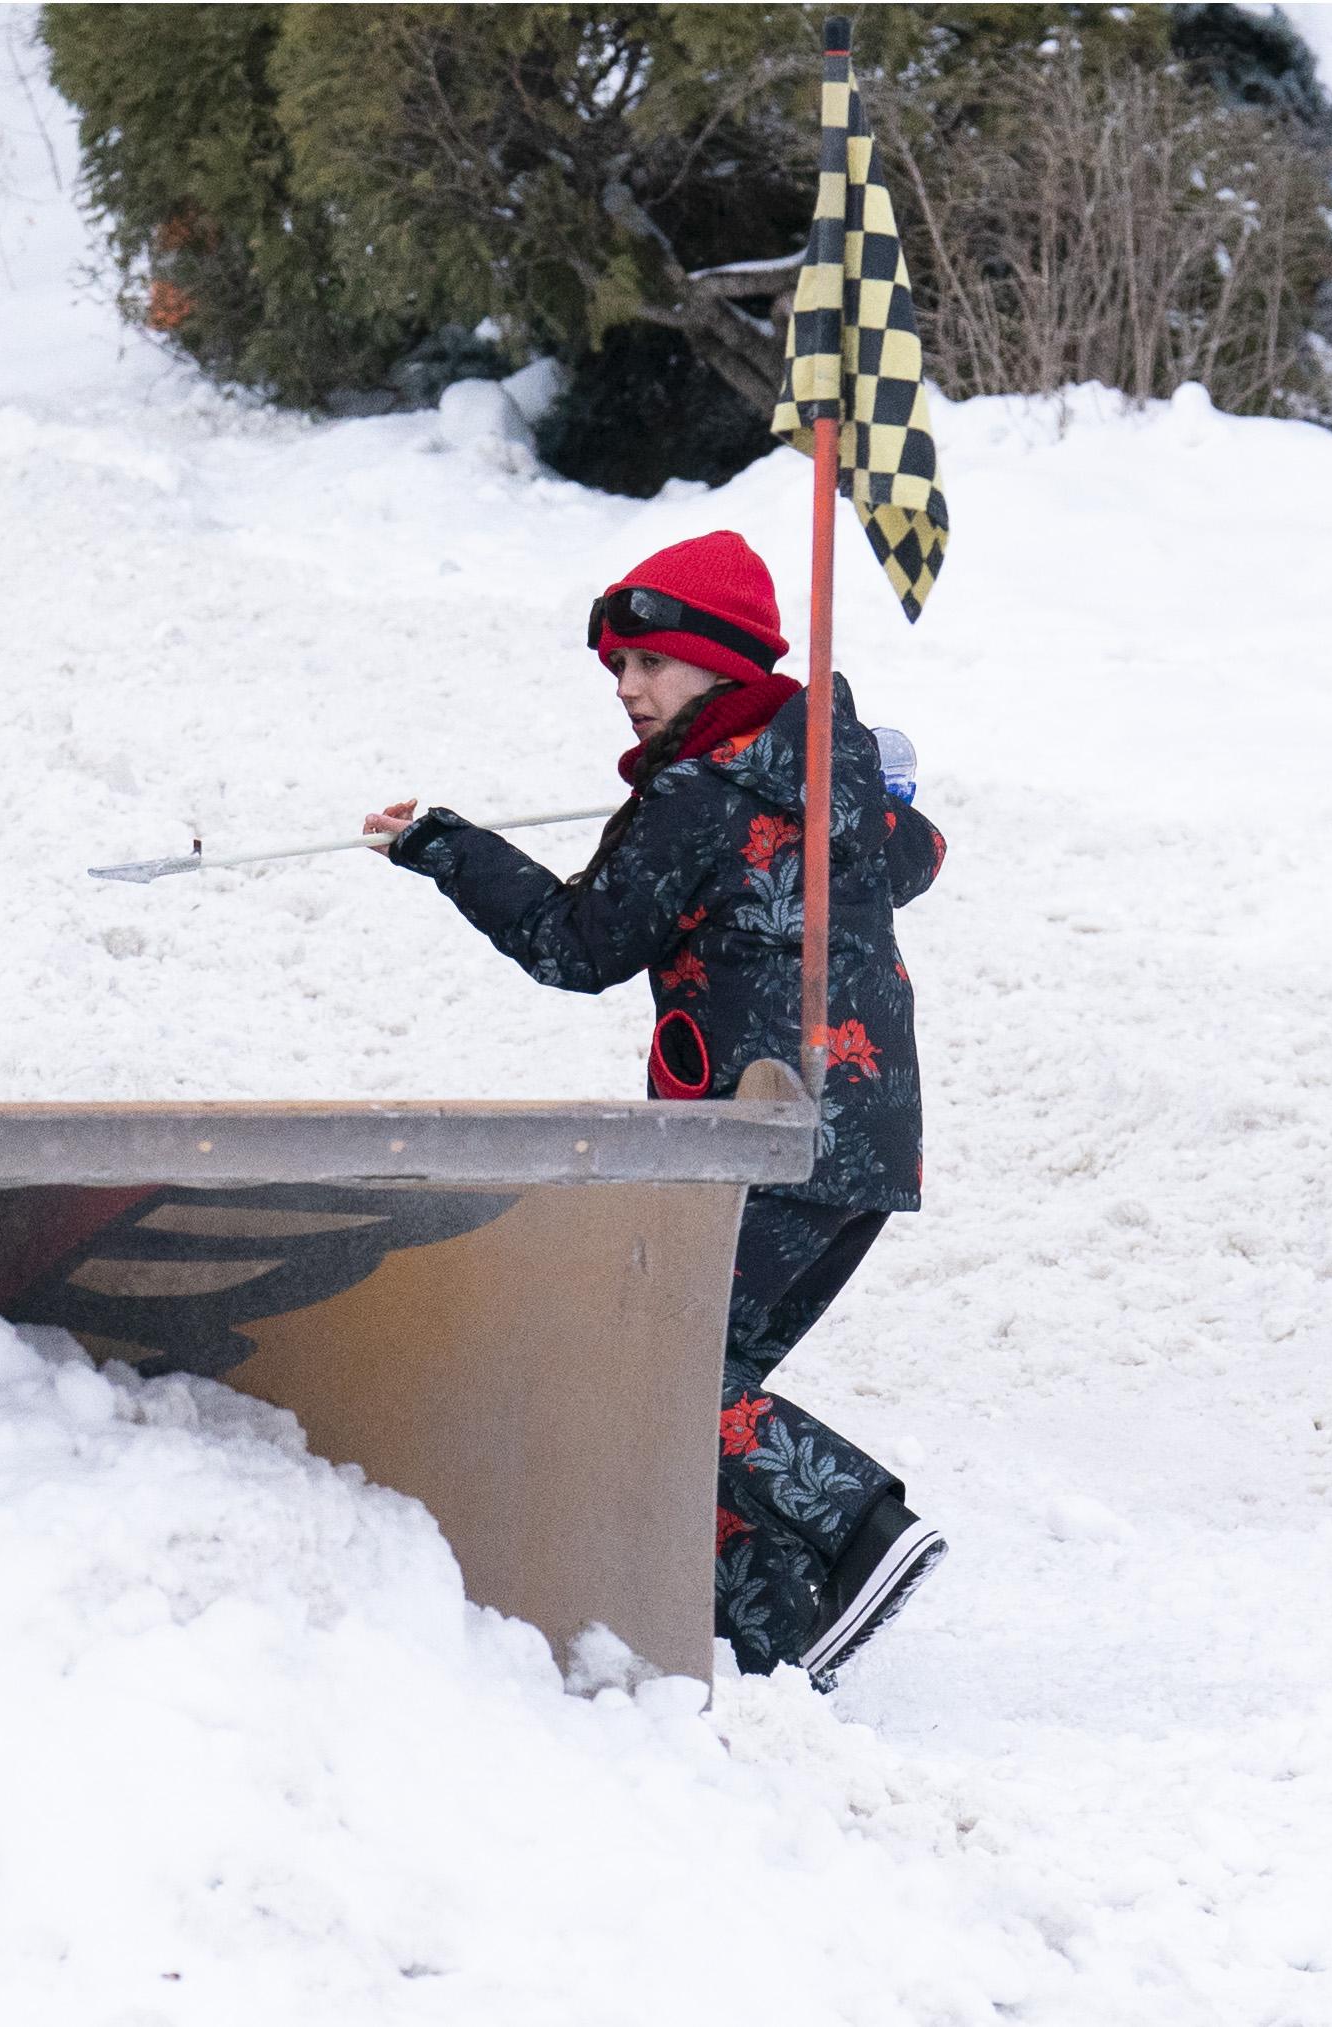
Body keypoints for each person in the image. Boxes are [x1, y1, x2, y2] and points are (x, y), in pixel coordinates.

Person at [362, 530, 949, 1689]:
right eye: (615, 670)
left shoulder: (696, 792)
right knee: (689, 1393)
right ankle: (778, 1636)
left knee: (662, 1373)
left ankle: (859, 1523)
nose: (627, 690)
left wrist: (445, 848)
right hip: (865, 1143)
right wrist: (873, 787)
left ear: (719, 666)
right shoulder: (825, 773)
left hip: (752, 1136)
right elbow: (919, 854)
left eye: (648, 664)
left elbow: (579, 945)